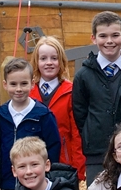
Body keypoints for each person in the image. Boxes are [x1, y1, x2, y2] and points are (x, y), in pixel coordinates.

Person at [72, 11, 121, 181]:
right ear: (94, 38)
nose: (109, 41)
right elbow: (80, 114)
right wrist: (93, 134)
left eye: (115, 35)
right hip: (98, 153)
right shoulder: (83, 75)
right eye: (103, 36)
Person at [0, 58, 61, 190]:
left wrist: (46, 175)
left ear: (32, 83)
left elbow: (53, 147)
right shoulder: (0, 115)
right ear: (5, 84)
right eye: (13, 84)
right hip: (10, 183)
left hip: (37, 182)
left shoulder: (43, 115)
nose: (18, 89)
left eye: (24, 84)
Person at [29, 36, 86, 181]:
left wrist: (78, 168)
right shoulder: (28, 92)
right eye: (43, 58)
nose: (49, 63)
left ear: (61, 62)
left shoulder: (71, 91)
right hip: (32, 164)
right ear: (36, 62)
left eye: (54, 58)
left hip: (63, 163)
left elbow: (76, 133)